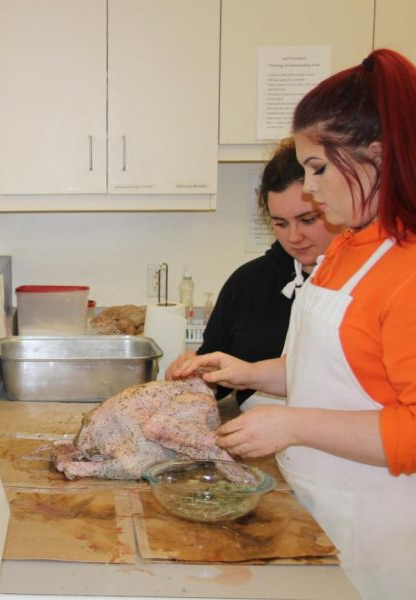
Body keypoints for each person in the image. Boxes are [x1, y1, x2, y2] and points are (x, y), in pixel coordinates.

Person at [171, 48, 416, 599]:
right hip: (321, 503)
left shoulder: (407, 269)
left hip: (381, 531)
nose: (310, 188)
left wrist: (291, 425)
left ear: (378, 155)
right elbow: (338, 372)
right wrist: (251, 372)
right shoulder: (350, 248)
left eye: (319, 169)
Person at [165, 140, 340, 407]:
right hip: (258, 440)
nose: (294, 237)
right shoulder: (248, 283)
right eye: (280, 223)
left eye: (308, 220)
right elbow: (217, 376)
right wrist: (193, 376)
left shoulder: (362, 280)